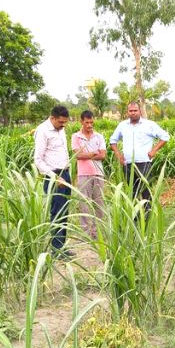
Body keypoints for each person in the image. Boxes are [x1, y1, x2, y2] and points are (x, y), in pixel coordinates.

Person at [109, 102, 170, 213]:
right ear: (127, 112)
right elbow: (112, 141)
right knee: (131, 192)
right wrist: (119, 156)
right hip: (128, 165)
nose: (133, 113)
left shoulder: (149, 124)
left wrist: (154, 150)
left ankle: (147, 217)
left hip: (144, 164)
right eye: (130, 111)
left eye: (135, 110)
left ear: (140, 111)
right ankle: (134, 217)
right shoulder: (122, 125)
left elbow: (165, 137)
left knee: (145, 191)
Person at [34, 105, 74, 258]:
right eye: (60, 122)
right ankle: (56, 250)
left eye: (65, 122)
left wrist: (67, 174)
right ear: (52, 118)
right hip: (54, 178)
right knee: (56, 213)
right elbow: (38, 160)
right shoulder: (43, 131)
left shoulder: (60, 129)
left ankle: (61, 247)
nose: (63, 125)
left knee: (64, 212)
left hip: (65, 174)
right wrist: (54, 177)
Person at [71, 110, 106, 240]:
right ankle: (86, 233)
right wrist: (93, 153)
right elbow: (78, 156)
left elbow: (103, 155)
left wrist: (87, 154)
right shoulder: (76, 137)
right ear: (81, 122)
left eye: (92, 122)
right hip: (83, 174)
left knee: (99, 203)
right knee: (84, 204)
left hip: (98, 174)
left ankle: (97, 233)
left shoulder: (99, 136)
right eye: (87, 122)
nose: (90, 125)